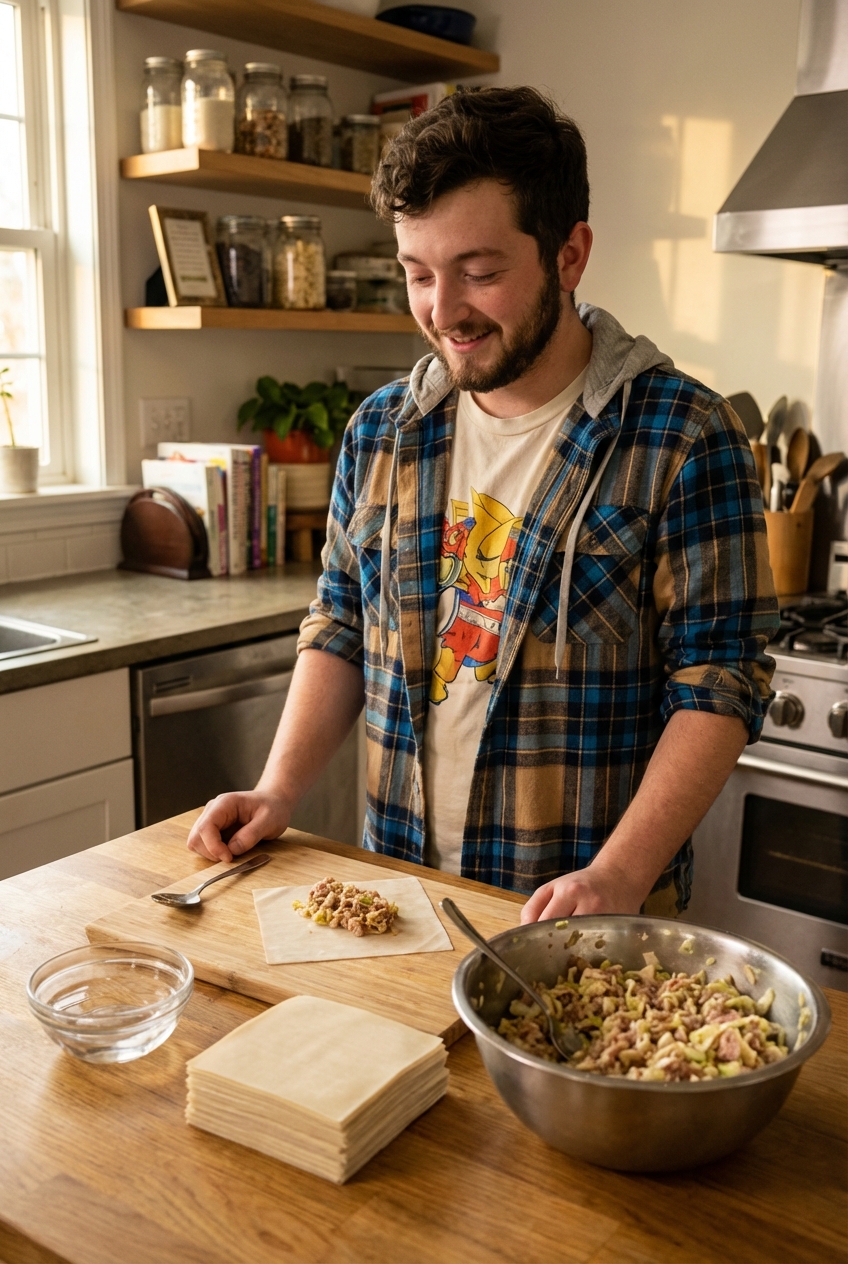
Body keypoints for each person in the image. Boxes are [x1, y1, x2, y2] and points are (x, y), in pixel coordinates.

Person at [188, 87, 779, 922]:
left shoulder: (684, 438)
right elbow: (342, 622)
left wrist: (618, 873)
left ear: (570, 257)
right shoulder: (383, 431)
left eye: (482, 272)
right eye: (418, 274)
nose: (444, 311)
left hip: (583, 911)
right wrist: (278, 787)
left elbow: (719, 680)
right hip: (401, 895)